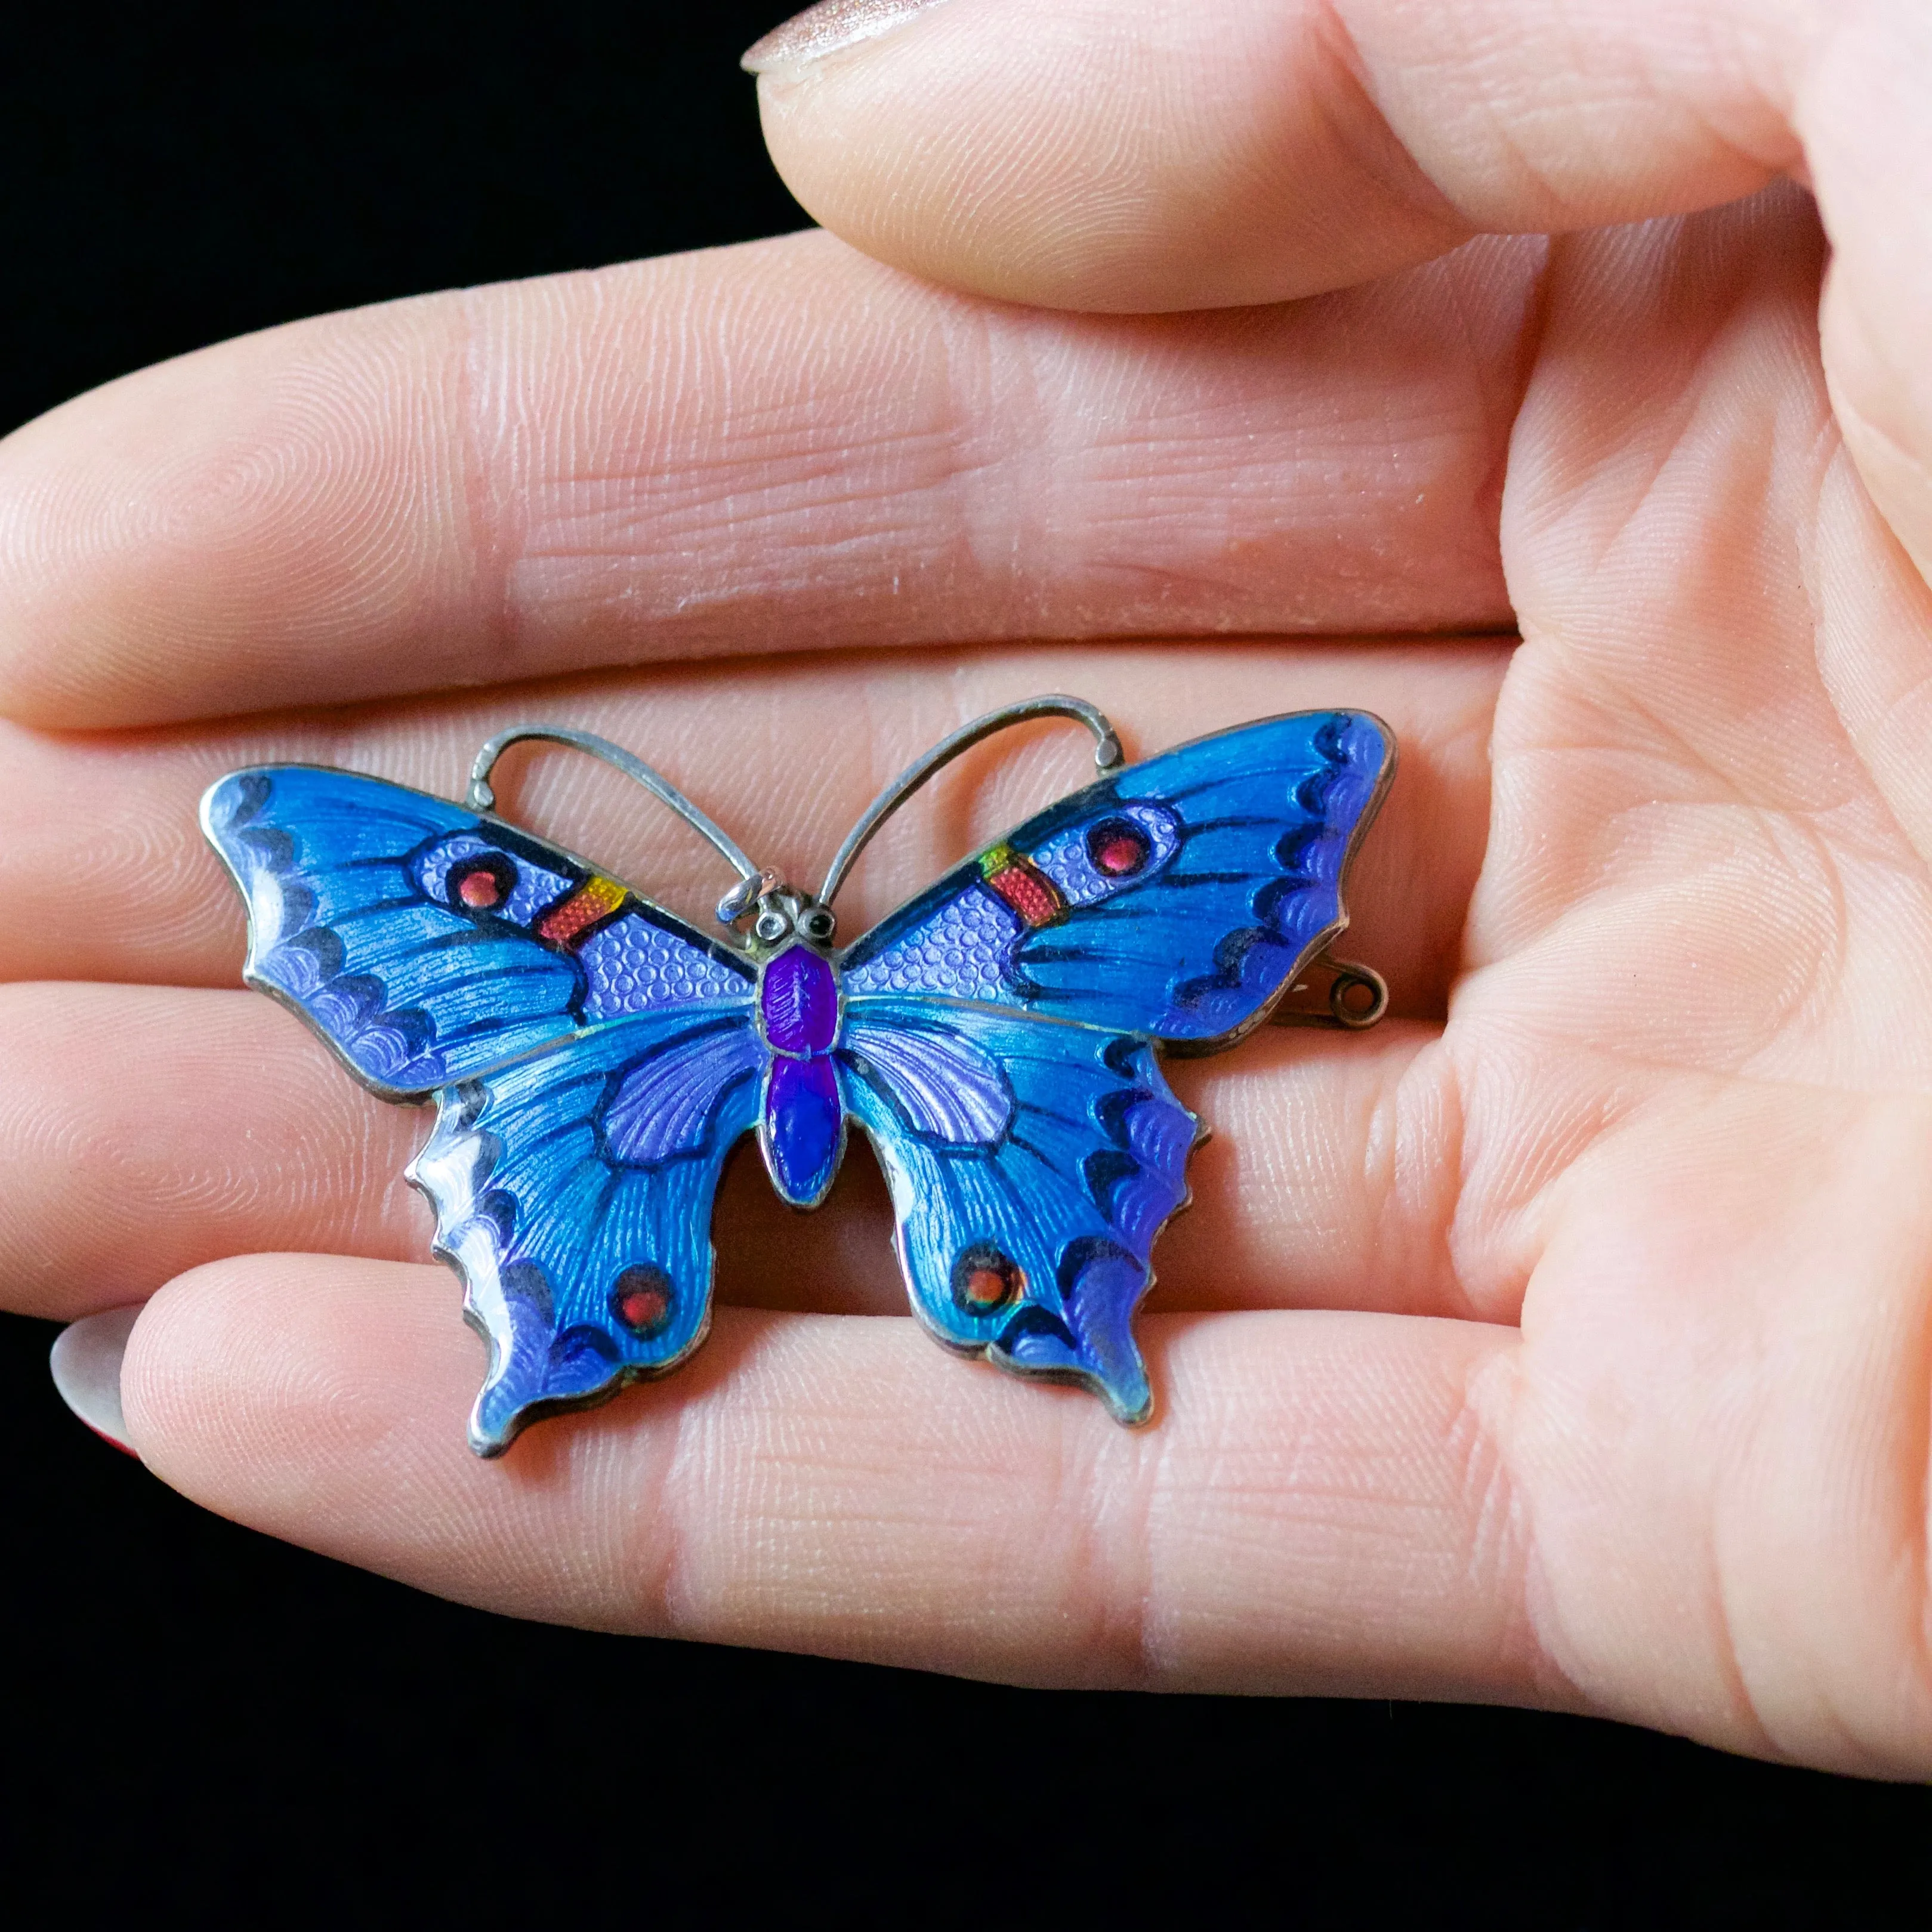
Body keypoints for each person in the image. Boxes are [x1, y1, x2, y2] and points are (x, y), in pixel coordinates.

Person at [8, 0, 1930, 1777]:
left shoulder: (608, 944)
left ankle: (745, 1312)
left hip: (618, 1071)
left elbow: (1311, 766)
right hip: (981, 1051)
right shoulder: (980, 926)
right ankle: (630, 1321)